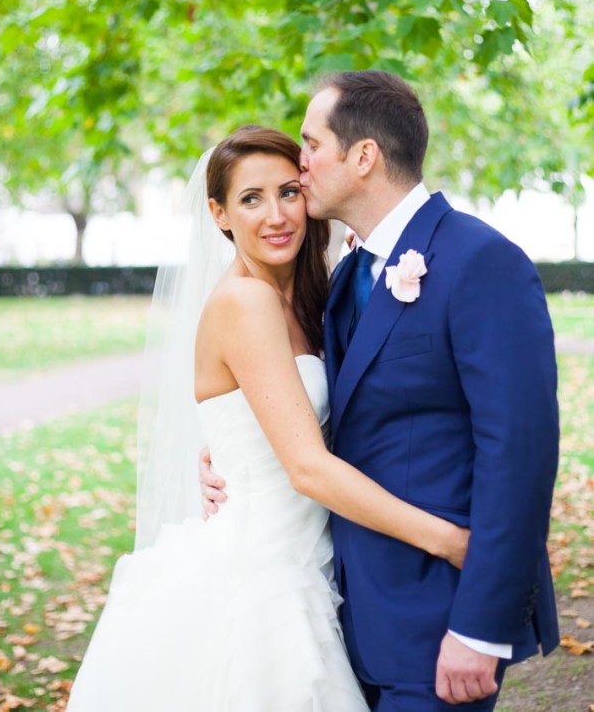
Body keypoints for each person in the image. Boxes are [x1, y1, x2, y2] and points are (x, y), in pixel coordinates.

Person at [65, 125, 470, 712]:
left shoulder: (310, 294)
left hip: (318, 561)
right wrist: (449, 541)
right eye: (250, 199)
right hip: (259, 581)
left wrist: (224, 450)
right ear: (219, 214)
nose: (276, 215)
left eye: (287, 191)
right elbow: (306, 468)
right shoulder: (245, 301)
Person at [201, 73, 560, 712]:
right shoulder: (345, 277)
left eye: (310, 147)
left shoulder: (481, 262)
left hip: (439, 617)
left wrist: (481, 624)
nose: (301, 164)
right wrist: (229, 456)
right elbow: (325, 416)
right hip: (342, 612)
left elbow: (519, 454)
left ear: (362, 157)